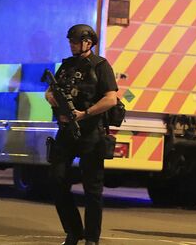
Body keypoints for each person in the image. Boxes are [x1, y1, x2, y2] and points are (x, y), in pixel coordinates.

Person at [45, 24, 118, 245]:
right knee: (57, 180)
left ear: (87, 42)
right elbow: (49, 92)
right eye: (70, 41)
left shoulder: (101, 66)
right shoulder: (66, 66)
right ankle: (74, 231)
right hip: (66, 133)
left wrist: (84, 113)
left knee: (92, 189)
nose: (71, 45)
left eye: (75, 41)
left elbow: (111, 98)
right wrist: (55, 101)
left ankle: (92, 238)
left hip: (91, 134)